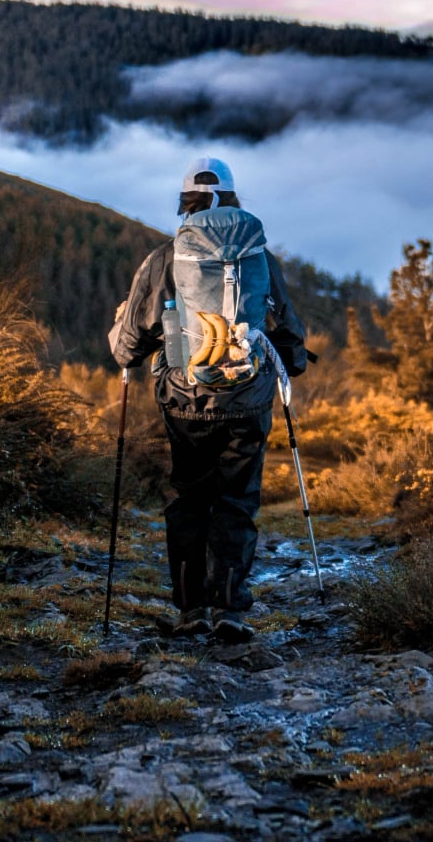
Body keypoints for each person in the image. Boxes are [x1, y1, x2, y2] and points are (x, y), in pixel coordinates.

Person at [109, 157, 309, 644]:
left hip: (185, 400)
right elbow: (288, 331)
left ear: (186, 203)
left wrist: (128, 350)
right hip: (249, 399)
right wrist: (292, 362)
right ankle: (230, 610)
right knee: (236, 500)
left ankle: (191, 609)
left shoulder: (166, 258)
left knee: (189, 498)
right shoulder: (259, 257)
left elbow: (131, 340)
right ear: (233, 200)